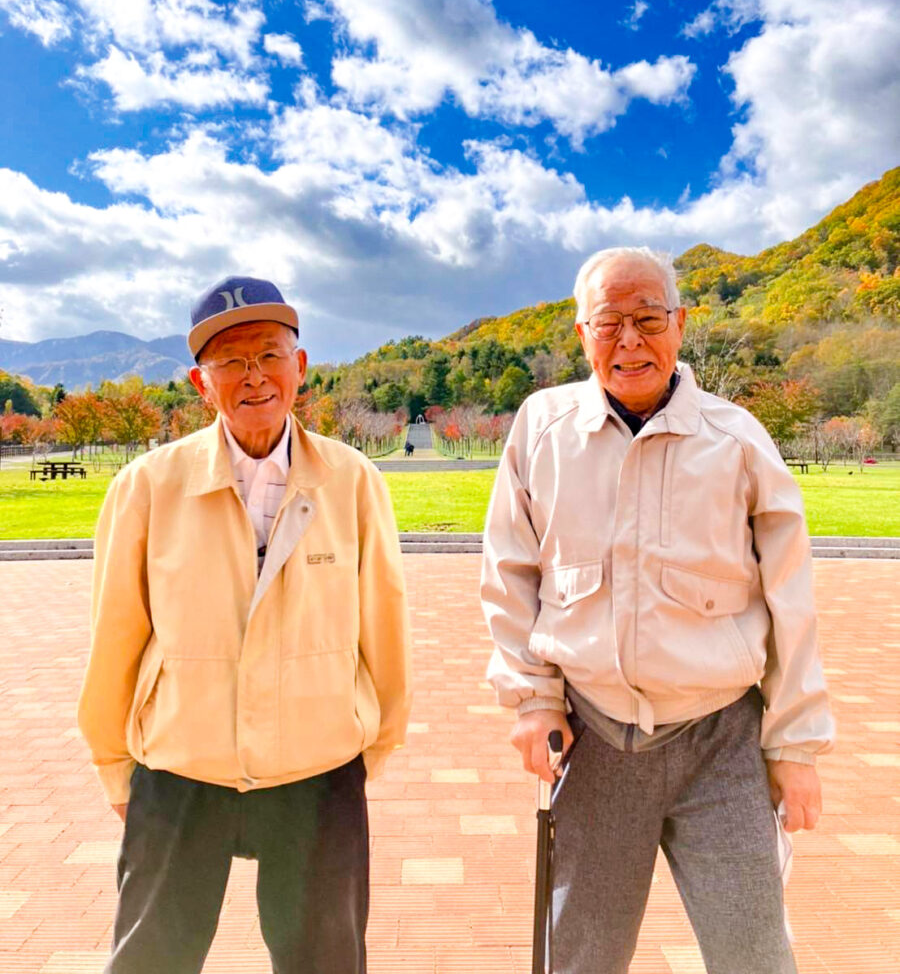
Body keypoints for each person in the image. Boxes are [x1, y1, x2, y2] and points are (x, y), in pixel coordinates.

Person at [480, 247, 834, 974]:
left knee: (755, 955)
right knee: (581, 957)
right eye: (609, 323)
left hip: (720, 742)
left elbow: (791, 601)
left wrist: (793, 748)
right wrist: (532, 702)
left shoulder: (736, 441)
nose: (630, 341)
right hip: (592, 734)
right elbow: (510, 575)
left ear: (679, 324)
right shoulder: (541, 430)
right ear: (581, 333)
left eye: (648, 319)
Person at [78, 275, 411, 974]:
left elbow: (384, 623)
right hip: (179, 768)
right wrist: (117, 767)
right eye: (231, 361)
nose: (253, 376)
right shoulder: (146, 487)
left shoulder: (352, 481)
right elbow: (115, 636)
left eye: (269, 354)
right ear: (203, 383)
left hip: (317, 771)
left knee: (326, 961)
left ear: (302, 367)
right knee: (151, 960)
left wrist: (369, 744)